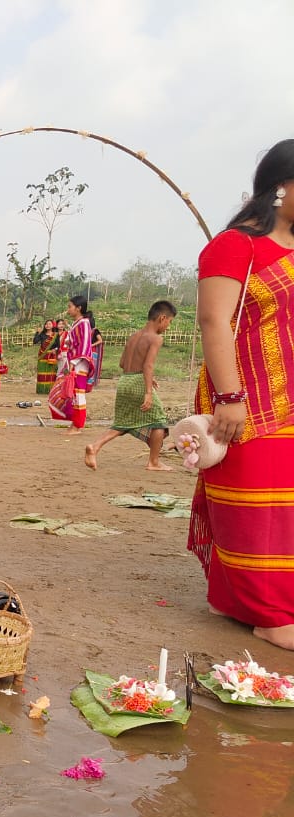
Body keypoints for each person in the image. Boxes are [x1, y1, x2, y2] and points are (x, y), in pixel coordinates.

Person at [188, 139, 294, 651]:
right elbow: (213, 321)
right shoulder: (236, 247)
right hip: (248, 401)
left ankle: (241, 600)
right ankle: (270, 614)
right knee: (259, 510)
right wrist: (230, 395)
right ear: (280, 188)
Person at [84, 301, 176, 472]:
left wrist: (147, 377)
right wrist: (148, 391)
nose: (168, 327)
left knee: (122, 423)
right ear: (162, 318)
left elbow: (122, 363)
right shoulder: (156, 338)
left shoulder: (134, 336)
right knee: (159, 422)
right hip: (138, 383)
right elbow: (148, 365)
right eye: (169, 322)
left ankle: (95, 447)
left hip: (125, 380)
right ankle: (154, 462)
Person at [51, 295, 95, 431]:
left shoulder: (84, 323)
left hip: (79, 363)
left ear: (78, 308)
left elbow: (85, 345)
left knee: (78, 394)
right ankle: (74, 422)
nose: (68, 310)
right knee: (71, 393)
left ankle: (77, 425)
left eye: (70, 307)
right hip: (73, 362)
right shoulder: (77, 323)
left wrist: (73, 363)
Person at [34, 319, 60, 395]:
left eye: (49, 324)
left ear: (52, 325)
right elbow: (35, 341)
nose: (48, 325)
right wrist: (37, 333)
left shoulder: (56, 335)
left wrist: (55, 350)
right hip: (42, 356)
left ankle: (50, 390)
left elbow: (58, 346)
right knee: (42, 373)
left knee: (51, 373)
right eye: (46, 324)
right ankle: (41, 390)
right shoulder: (42, 334)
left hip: (51, 356)